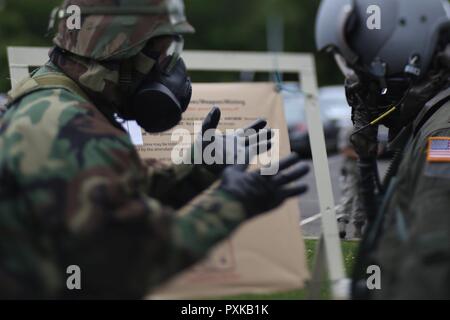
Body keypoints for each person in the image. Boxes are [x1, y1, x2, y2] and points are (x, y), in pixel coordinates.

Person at [0, 0, 309, 299]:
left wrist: (200, 166)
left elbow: (115, 194)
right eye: (162, 51)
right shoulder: (69, 127)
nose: (169, 65)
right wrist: (235, 202)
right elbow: (133, 260)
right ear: (120, 47)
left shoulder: (51, 99)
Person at [316, 0, 450, 299]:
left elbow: (434, 266)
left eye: (362, 66)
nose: (359, 82)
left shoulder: (442, 134)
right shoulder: (429, 119)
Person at [336, 125, 365, 239]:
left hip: (365, 169)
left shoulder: (372, 128)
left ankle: (359, 228)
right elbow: (345, 150)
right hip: (351, 168)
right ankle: (342, 226)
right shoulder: (349, 129)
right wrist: (363, 156)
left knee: (363, 198)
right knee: (348, 196)